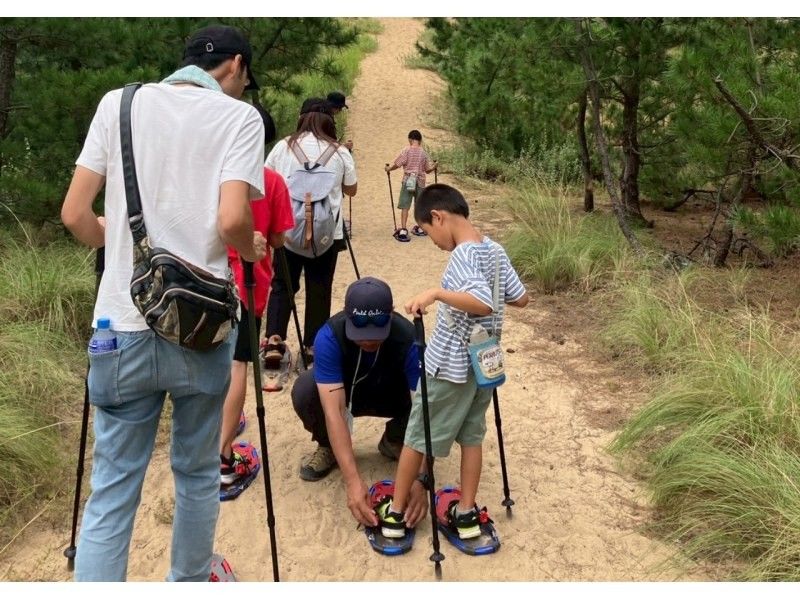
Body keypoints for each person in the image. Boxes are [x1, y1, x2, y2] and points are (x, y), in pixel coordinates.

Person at [60, 25, 267, 581]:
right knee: (197, 473)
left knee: (112, 487)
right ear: (237, 67)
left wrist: (121, 239)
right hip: (200, 329)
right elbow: (231, 221)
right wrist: (252, 246)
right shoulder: (240, 119)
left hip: (119, 328)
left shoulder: (118, 104)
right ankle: (190, 580)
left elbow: (75, 216)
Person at [374, 184, 529, 541]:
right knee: (472, 436)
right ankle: (466, 514)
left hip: (450, 365)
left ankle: (395, 516)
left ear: (439, 217)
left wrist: (437, 293)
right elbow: (520, 299)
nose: (434, 241)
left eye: (429, 233)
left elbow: (481, 302)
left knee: (417, 436)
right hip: (484, 365)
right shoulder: (495, 250)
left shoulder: (461, 256)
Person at [290, 277, 430, 528]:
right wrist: (353, 481)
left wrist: (422, 479)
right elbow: (334, 412)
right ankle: (329, 447)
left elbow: (425, 412)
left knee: (430, 393)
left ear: (391, 316)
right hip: (348, 394)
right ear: (347, 317)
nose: (368, 340)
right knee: (305, 389)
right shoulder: (329, 336)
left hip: (393, 395)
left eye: (376, 334)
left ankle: (396, 439)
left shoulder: (409, 338)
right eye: (360, 333)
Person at [263, 105, 357, 367]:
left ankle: (274, 341)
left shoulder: (283, 147)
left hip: (287, 229)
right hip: (328, 233)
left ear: (301, 118)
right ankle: (313, 345)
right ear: (329, 121)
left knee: (283, 284)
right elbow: (352, 189)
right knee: (320, 287)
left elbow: (266, 180)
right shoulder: (338, 151)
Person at [219, 164, 294, 487]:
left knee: (210, 362)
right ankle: (222, 457)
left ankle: (209, 438)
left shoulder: (211, 172)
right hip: (248, 284)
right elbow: (279, 238)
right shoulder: (271, 180)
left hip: (202, 283)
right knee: (238, 365)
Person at [384, 130, 438, 242]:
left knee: (405, 205)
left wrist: (389, 169)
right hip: (420, 181)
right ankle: (421, 227)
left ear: (411, 139)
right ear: (420, 140)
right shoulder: (423, 152)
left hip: (408, 180)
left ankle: (403, 229)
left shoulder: (406, 150)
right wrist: (434, 167)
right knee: (419, 205)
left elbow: (398, 164)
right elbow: (427, 170)